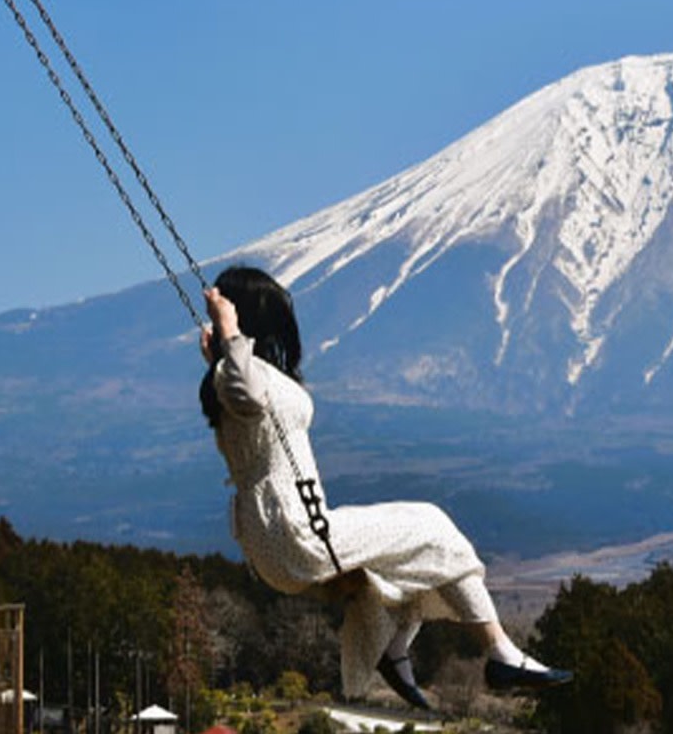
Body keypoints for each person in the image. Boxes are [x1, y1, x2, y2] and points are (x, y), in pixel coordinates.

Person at [198, 265, 571, 709]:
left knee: (410, 551)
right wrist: (228, 331)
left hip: (283, 533)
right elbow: (244, 393)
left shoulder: (237, 372)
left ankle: (397, 651)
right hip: (295, 533)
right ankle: (499, 653)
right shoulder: (236, 376)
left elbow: (243, 396)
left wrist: (224, 351)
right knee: (435, 528)